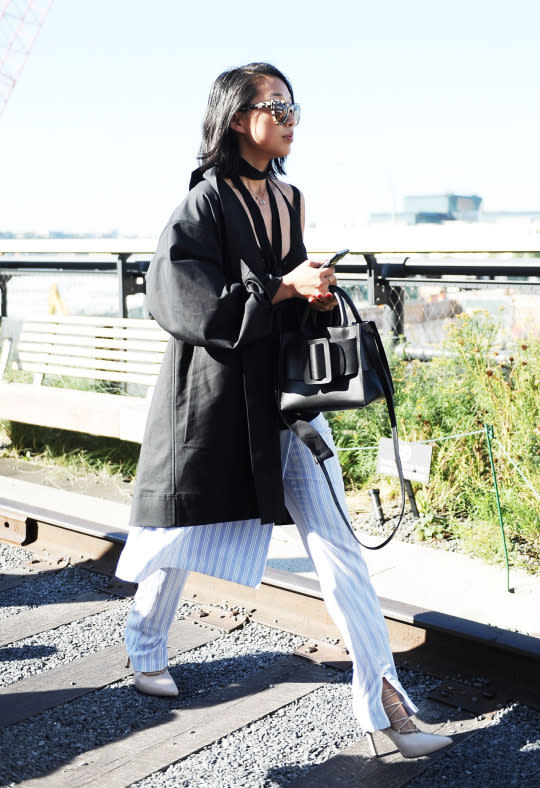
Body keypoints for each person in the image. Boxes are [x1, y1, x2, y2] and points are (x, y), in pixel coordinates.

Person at [115, 62, 451, 760]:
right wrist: (276, 290)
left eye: (295, 104)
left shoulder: (291, 198)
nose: (292, 116)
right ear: (239, 117)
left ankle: (385, 706)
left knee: (339, 548)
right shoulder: (203, 202)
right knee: (179, 530)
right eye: (279, 105)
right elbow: (176, 296)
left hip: (286, 399)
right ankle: (145, 643)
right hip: (213, 397)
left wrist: (312, 295)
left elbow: (283, 291)